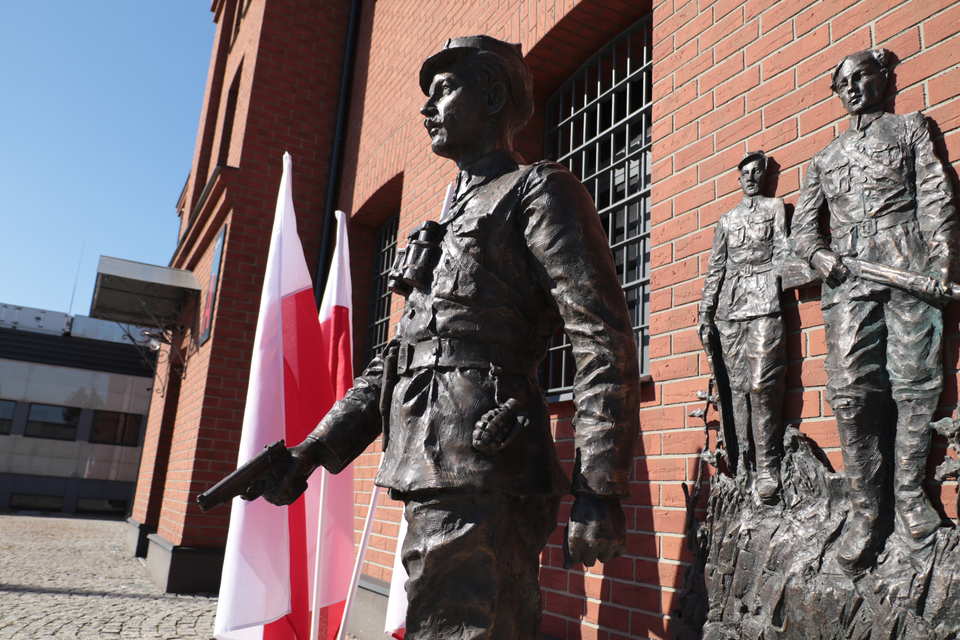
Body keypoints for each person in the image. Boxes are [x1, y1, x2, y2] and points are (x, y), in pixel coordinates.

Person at [263, 35, 640, 639]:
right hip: (429, 461)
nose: (425, 108)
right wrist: (310, 452)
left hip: (487, 461)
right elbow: (399, 360)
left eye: (443, 91)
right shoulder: (440, 224)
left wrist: (598, 486)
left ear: (490, 95)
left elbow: (601, 337)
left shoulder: (537, 191)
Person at [791, 48, 958, 572]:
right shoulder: (824, 158)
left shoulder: (910, 128)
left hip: (908, 267)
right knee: (850, 393)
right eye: (842, 84)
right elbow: (803, 232)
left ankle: (910, 497)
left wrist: (944, 260)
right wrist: (820, 256)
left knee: (914, 383)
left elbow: (936, 196)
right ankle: (866, 511)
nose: (852, 89)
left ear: (883, 78)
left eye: (859, 77)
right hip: (848, 284)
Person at [699, 151, 788, 504]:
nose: (750, 178)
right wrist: (705, 313)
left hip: (765, 299)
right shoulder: (727, 220)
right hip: (730, 308)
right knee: (737, 389)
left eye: (756, 172)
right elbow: (715, 268)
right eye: (745, 173)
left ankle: (768, 467)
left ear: (764, 177)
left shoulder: (775, 208)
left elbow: (782, 249)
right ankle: (743, 465)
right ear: (738, 179)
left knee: (762, 385)